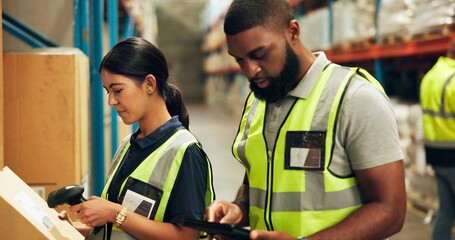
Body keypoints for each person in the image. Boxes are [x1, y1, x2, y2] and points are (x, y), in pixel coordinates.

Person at [205, 0, 406, 239]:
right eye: (239, 60)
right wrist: (239, 209)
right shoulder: (257, 101)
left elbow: (390, 211)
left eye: (259, 55)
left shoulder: (354, 98)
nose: (250, 70)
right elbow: (263, 180)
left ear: (293, 32)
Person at [59, 37, 215, 240]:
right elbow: (122, 232)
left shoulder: (185, 152)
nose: (111, 101)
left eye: (118, 90)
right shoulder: (127, 146)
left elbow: (187, 236)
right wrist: (73, 230)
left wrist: (113, 213)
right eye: (108, 92)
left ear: (149, 84)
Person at [420, 40, 455, 240]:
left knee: (446, 211)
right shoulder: (453, 79)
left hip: (435, 153)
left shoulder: (431, 76)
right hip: (452, 153)